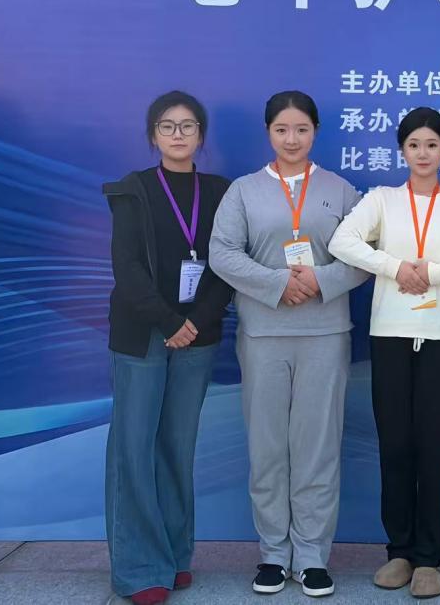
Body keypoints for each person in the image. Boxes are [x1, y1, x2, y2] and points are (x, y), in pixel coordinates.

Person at [328, 107, 440, 600]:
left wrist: (435, 273)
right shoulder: (381, 199)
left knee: (435, 448)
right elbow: (342, 241)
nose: (423, 153)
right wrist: (396, 267)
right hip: (390, 335)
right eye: (414, 144)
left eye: (432, 145)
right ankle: (399, 551)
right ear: (402, 150)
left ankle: (429, 559)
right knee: (396, 446)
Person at [208, 91, 368, 599]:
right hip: (263, 334)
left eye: (301, 129)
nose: (292, 139)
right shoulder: (244, 191)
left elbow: (367, 255)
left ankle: (313, 556)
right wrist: (278, 284)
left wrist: (321, 280)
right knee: (268, 447)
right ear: (269, 133)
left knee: (317, 448)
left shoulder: (340, 190)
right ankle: (274, 555)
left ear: (315, 131)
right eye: (282, 130)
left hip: (325, 334)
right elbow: (222, 253)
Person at [103, 90, 233, 605]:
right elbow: (127, 266)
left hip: (198, 334)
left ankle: (175, 556)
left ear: (201, 135)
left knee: (177, 447)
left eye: (187, 126)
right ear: (152, 135)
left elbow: (226, 263)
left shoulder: (221, 192)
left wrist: (194, 323)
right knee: (134, 448)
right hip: (142, 334)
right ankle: (138, 568)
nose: (178, 135)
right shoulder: (132, 190)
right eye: (167, 126)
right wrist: (169, 322)